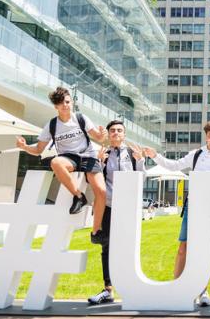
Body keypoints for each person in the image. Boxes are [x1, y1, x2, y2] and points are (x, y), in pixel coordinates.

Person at [141, 119, 210, 307]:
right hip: (193, 205)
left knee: (205, 251)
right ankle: (176, 288)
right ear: (206, 136)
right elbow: (174, 165)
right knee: (183, 247)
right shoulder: (196, 154)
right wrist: (155, 156)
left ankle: (203, 291)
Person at [16, 87, 108, 245]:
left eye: (67, 101)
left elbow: (98, 138)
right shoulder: (51, 125)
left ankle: (95, 232)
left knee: (101, 191)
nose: (65, 105)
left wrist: (102, 134)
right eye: (60, 103)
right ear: (56, 107)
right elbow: (39, 150)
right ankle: (79, 196)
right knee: (55, 162)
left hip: (88, 156)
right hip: (68, 158)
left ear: (71, 102)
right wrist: (24, 147)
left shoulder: (81, 118)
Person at [88, 119, 146, 306]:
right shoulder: (102, 153)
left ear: (124, 134)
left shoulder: (131, 154)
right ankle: (107, 290)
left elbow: (141, 179)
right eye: (112, 130)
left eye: (119, 130)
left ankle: (132, 287)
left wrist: (141, 162)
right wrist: (99, 163)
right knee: (107, 246)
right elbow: (97, 182)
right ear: (108, 134)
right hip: (109, 206)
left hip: (128, 207)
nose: (116, 133)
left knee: (128, 245)